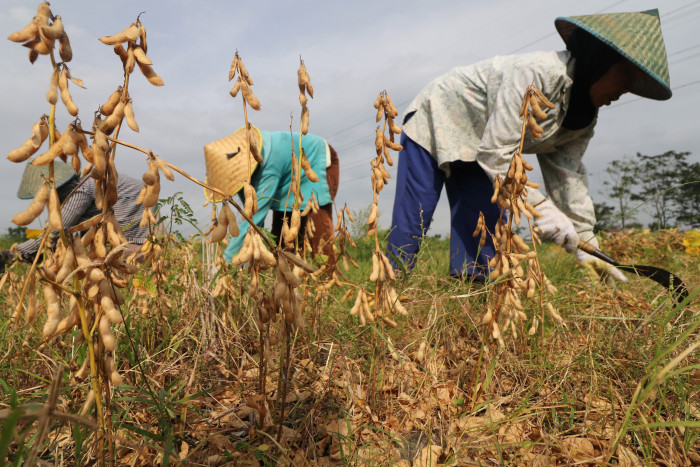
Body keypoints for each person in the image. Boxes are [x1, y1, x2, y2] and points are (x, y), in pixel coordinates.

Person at [386, 9, 672, 283]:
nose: (623, 92)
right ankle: (389, 290)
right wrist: (542, 209)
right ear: (600, 63)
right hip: (438, 113)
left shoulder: (583, 118)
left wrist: (586, 239)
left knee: (486, 224)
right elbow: (498, 154)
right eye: (624, 80)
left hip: (483, 143)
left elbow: (567, 178)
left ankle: (471, 302)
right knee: (415, 215)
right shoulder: (539, 74)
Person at [203, 126, 339, 264]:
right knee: (282, 241)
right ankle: (289, 282)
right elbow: (249, 211)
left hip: (318, 161)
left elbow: (254, 220)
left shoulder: (268, 168)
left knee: (320, 233)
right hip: (288, 176)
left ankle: (328, 277)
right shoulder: (244, 170)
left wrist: (226, 262)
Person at [0, 159, 151, 272]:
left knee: (120, 265)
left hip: (136, 224)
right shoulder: (81, 186)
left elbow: (55, 231)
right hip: (143, 215)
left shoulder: (80, 191)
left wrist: (15, 253)